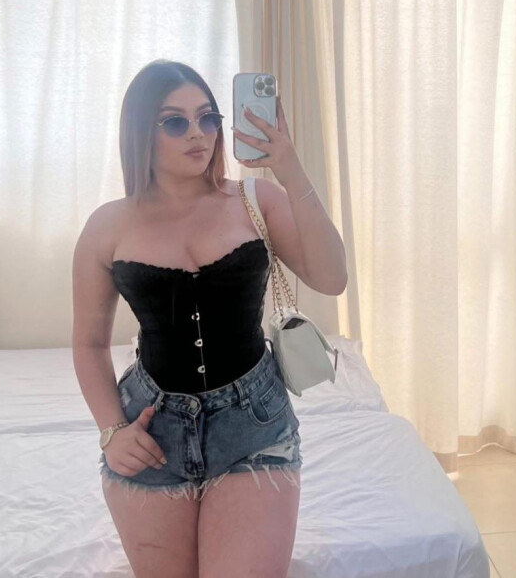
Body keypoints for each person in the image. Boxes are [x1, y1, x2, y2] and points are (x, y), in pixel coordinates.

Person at [72, 59, 346, 578]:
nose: (198, 132)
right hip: (151, 432)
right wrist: (112, 431)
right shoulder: (108, 226)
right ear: (140, 132)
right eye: (175, 122)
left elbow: (332, 278)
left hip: (254, 424)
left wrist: (289, 168)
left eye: (208, 117)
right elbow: (88, 344)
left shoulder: (255, 199)